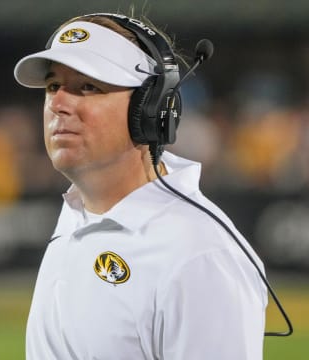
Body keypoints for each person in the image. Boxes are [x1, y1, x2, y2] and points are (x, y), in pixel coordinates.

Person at [14, 12, 267, 359]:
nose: (58, 104)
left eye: (89, 86)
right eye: (53, 86)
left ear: (151, 109)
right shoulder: (77, 216)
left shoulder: (200, 256)